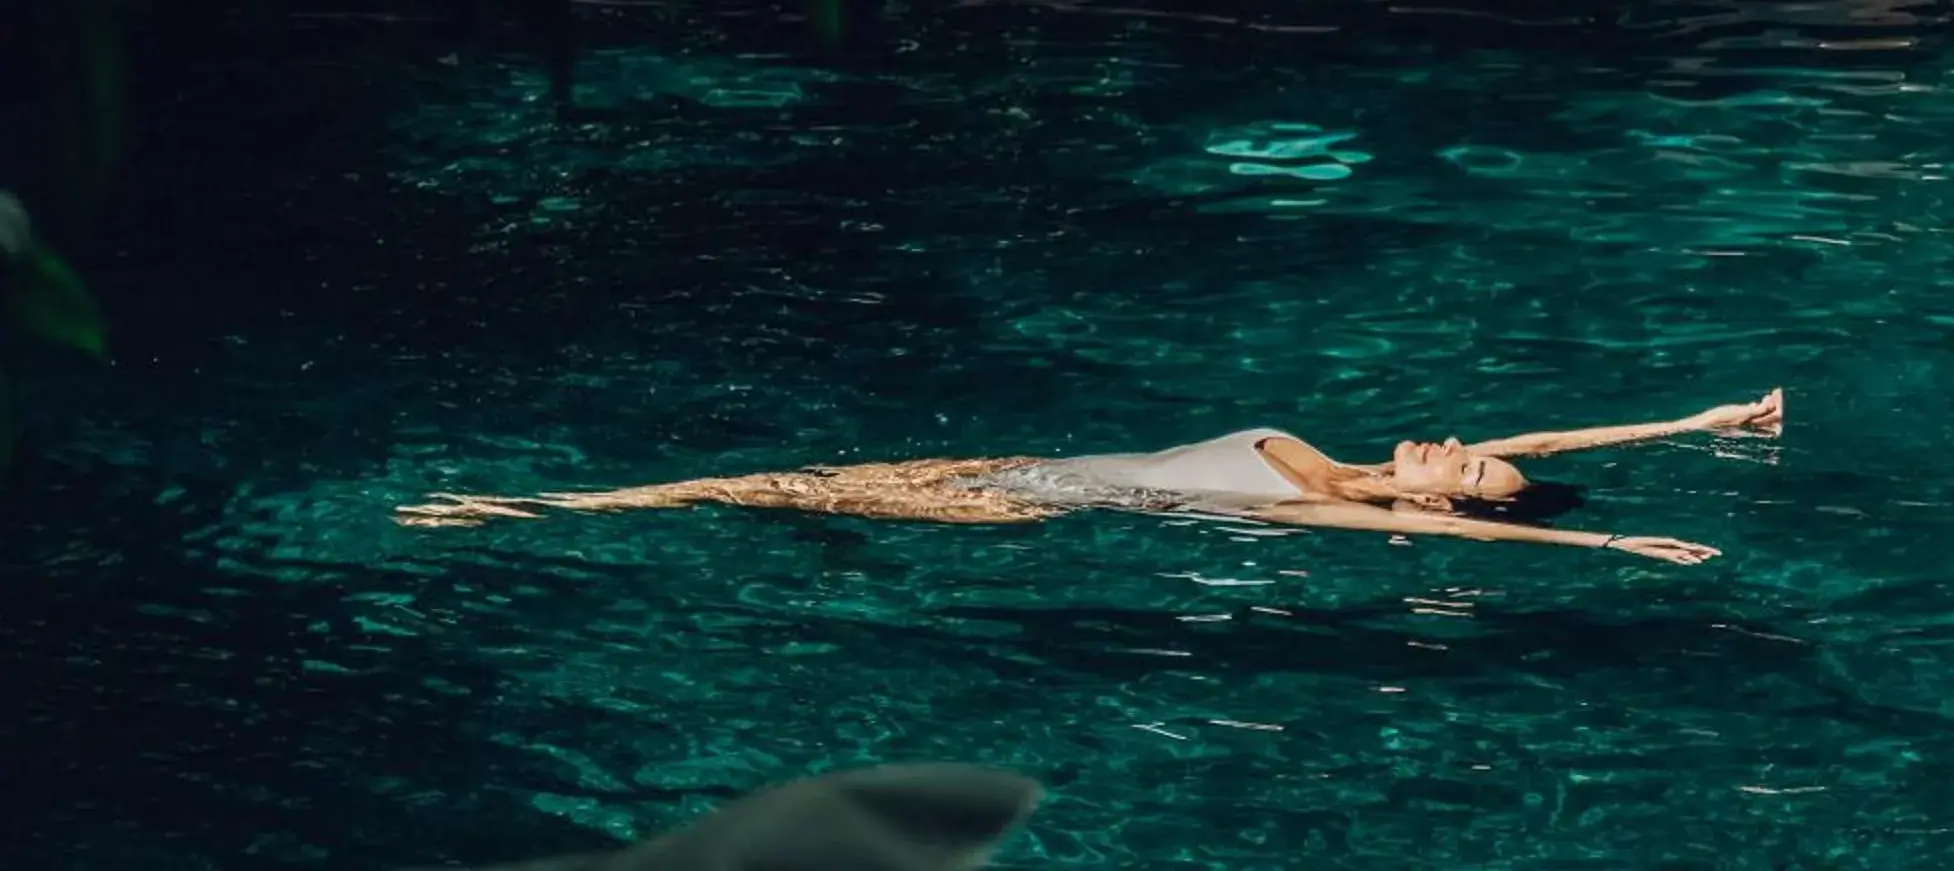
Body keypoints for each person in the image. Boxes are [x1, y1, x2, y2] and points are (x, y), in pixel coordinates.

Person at [395, 388, 1782, 567]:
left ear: (1432, 505)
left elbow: (1505, 530)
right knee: (773, 477)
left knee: (754, 490)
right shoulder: (1355, 459)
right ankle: (539, 511)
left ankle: (519, 516)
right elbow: (1533, 456)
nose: (1457, 441)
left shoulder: (1345, 505)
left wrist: (1618, 549)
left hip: (1030, 499)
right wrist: (1695, 424)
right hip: (1003, 457)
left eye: (1456, 465)